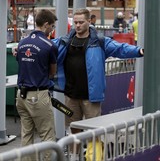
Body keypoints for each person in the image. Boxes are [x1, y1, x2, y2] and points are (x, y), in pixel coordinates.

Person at [53, 8, 144, 159]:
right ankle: (74, 158)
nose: (78, 25)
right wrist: (21, 49)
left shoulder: (99, 41)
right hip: (71, 95)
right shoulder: (65, 41)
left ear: (89, 21)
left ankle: (94, 158)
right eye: (75, 22)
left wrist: (139, 51)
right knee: (73, 130)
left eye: (81, 22)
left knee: (94, 132)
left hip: (91, 97)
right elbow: (46, 48)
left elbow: (120, 48)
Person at [16, 9, 58, 160]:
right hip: (38, 94)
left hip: (21, 94)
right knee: (47, 134)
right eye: (52, 26)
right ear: (46, 24)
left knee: (26, 135)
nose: (52, 30)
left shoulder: (22, 42)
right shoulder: (49, 45)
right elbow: (52, 72)